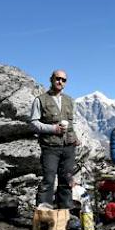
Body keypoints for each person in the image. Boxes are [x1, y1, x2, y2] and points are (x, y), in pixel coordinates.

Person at [30, 69, 79, 210]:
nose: (60, 82)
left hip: (68, 147)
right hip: (50, 147)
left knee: (66, 180)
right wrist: (53, 129)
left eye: (63, 80)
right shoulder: (40, 100)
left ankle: (65, 215)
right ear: (51, 79)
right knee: (49, 180)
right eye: (58, 78)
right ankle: (44, 217)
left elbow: (72, 122)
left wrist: (74, 137)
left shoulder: (69, 100)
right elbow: (34, 124)